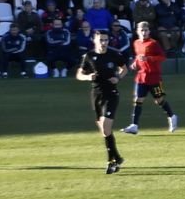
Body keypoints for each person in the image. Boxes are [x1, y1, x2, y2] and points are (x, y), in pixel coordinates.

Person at [75, 28, 127, 175]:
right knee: (104, 131)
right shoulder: (89, 56)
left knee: (105, 126)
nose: (103, 43)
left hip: (111, 94)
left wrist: (118, 78)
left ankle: (111, 161)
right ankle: (117, 157)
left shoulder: (114, 54)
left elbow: (124, 69)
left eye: (105, 40)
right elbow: (79, 74)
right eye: (101, 40)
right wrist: (87, 77)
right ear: (95, 40)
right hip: (96, 95)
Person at [125, 20, 177, 134]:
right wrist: (135, 63)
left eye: (146, 30)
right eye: (142, 30)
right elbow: (138, 56)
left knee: (159, 100)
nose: (144, 32)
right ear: (137, 31)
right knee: (138, 100)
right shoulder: (136, 43)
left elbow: (162, 57)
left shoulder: (153, 43)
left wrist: (149, 58)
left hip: (154, 78)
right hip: (141, 77)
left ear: (149, 31)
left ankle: (172, 117)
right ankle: (134, 125)